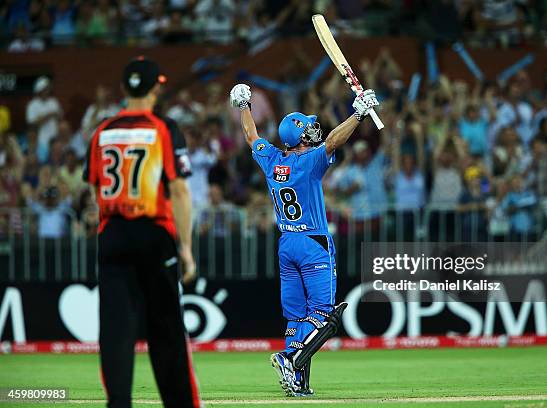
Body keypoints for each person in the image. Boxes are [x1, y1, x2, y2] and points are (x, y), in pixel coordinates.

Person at [229, 82, 379, 396]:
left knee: (297, 317)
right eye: (308, 129)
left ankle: (296, 380)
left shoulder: (271, 160)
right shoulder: (308, 163)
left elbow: (251, 136)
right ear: (299, 138)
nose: (314, 131)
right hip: (313, 244)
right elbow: (333, 142)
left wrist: (243, 106)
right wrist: (358, 114)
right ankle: (290, 359)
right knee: (325, 316)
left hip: (287, 244)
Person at [83, 56, 201, 408]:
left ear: (123, 89)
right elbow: (178, 190)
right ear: (155, 89)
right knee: (165, 330)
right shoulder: (162, 128)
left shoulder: (102, 131)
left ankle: (118, 403)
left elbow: (95, 188)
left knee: (116, 332)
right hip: (153, 234)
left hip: (113, 236)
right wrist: (186, 248)